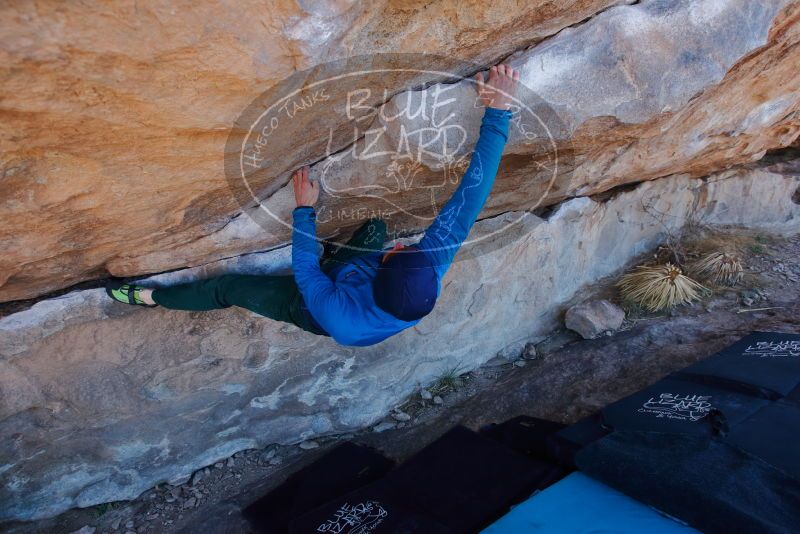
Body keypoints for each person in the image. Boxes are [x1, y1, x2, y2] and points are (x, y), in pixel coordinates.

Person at [107, 63, 519, 346]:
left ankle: (148, 298)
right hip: (354, 281)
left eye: (395, 256)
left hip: (308, 307)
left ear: (379, 278)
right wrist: (498, 110)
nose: (399, 247)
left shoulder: (337, 314)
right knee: (375, 228)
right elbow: (471, 195)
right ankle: (341, 261)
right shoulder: (430, 264)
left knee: (228, 289)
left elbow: (304, 270)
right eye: (406, 250)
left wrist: (304, 209)